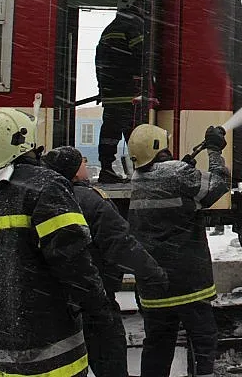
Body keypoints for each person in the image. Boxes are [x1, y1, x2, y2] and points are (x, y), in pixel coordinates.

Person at [0, 108, 113, 377]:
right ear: (25, 141)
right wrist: (99, 310)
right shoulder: (46, 186)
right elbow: (73, 261)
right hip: (47, 348)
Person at [43, 146, 168, 377]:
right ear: (74, 171)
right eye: (82, 161)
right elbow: (120, 243)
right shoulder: (91, 200)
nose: (86, 164)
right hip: (95, 302)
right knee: (111, 364)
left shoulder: (42, 199)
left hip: (54, 305)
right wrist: (153, 273)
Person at [127, 124, 230, 377]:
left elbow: (168, 187)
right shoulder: (177, 173)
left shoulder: (137, 178)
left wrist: (183, 167)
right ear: (158, 148)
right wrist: (214, 151)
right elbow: (218, 184)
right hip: (188, 280)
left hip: (154, 283)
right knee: (203, 338)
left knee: (158, 343)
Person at [95, 0, 146, 183]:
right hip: (129, 92)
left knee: (110, 132)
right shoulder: (134, 25)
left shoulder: (109, 29)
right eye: (140, 4)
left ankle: (106, 168)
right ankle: (142, 172)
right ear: (131, 4)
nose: (143, 8)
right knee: (135, 135)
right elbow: (142, 56)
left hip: (111, 93)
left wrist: (102, 88)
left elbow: (99, 62)